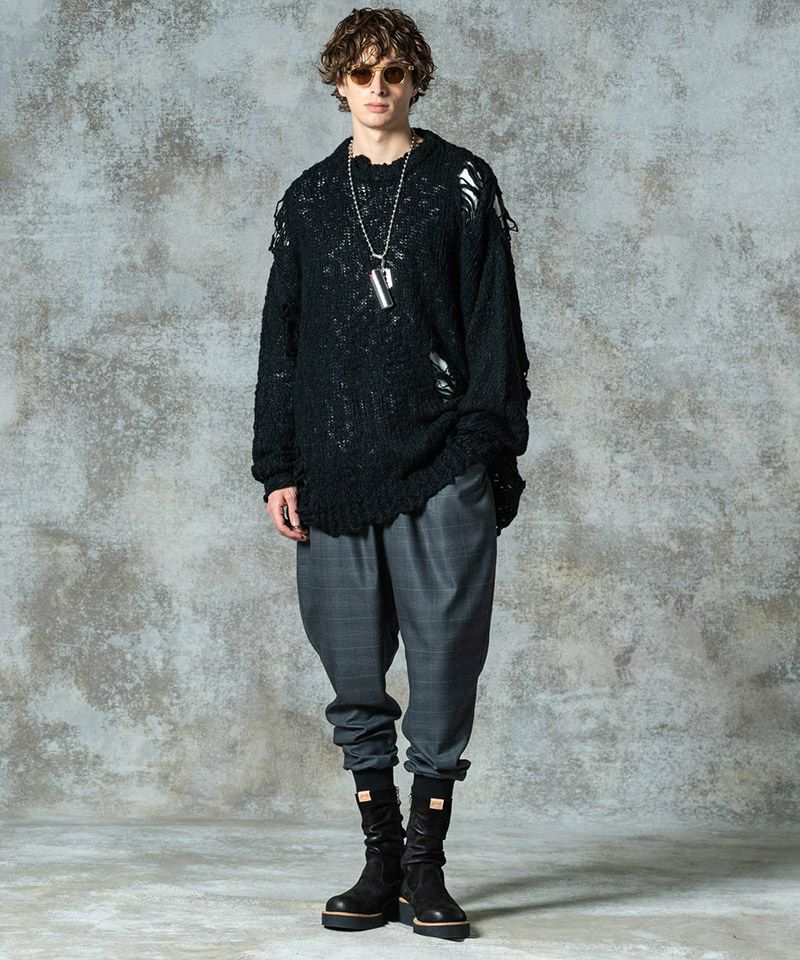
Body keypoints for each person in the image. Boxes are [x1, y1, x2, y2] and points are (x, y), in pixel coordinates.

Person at [251, 6, 530, 941]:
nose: (378, 88)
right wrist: (278, 465)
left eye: (394, 72)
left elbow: (494, 322)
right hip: (333, 471)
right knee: (352, 675)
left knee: (446, 668)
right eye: (362, 73)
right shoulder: (308, 198)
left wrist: (483, 445)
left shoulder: (460, 182)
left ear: (416, 80)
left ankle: (426, 866)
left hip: (442, 459)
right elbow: (281, 340)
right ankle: (379, 861)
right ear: (339, 82)